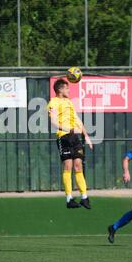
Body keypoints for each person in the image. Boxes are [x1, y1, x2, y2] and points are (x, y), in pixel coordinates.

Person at [47, 78, 93, 209]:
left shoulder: (69, 102)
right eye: (67, 88)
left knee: (78, 165)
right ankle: (69, 199)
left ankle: (84, 197)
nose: (69, 90)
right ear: (60, 89)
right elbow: (54, 122)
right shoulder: (53, 102)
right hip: (64, 137)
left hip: (75, 137)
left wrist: (86, 136)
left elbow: (77, 119)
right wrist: (69, 129)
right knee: (68, 166)